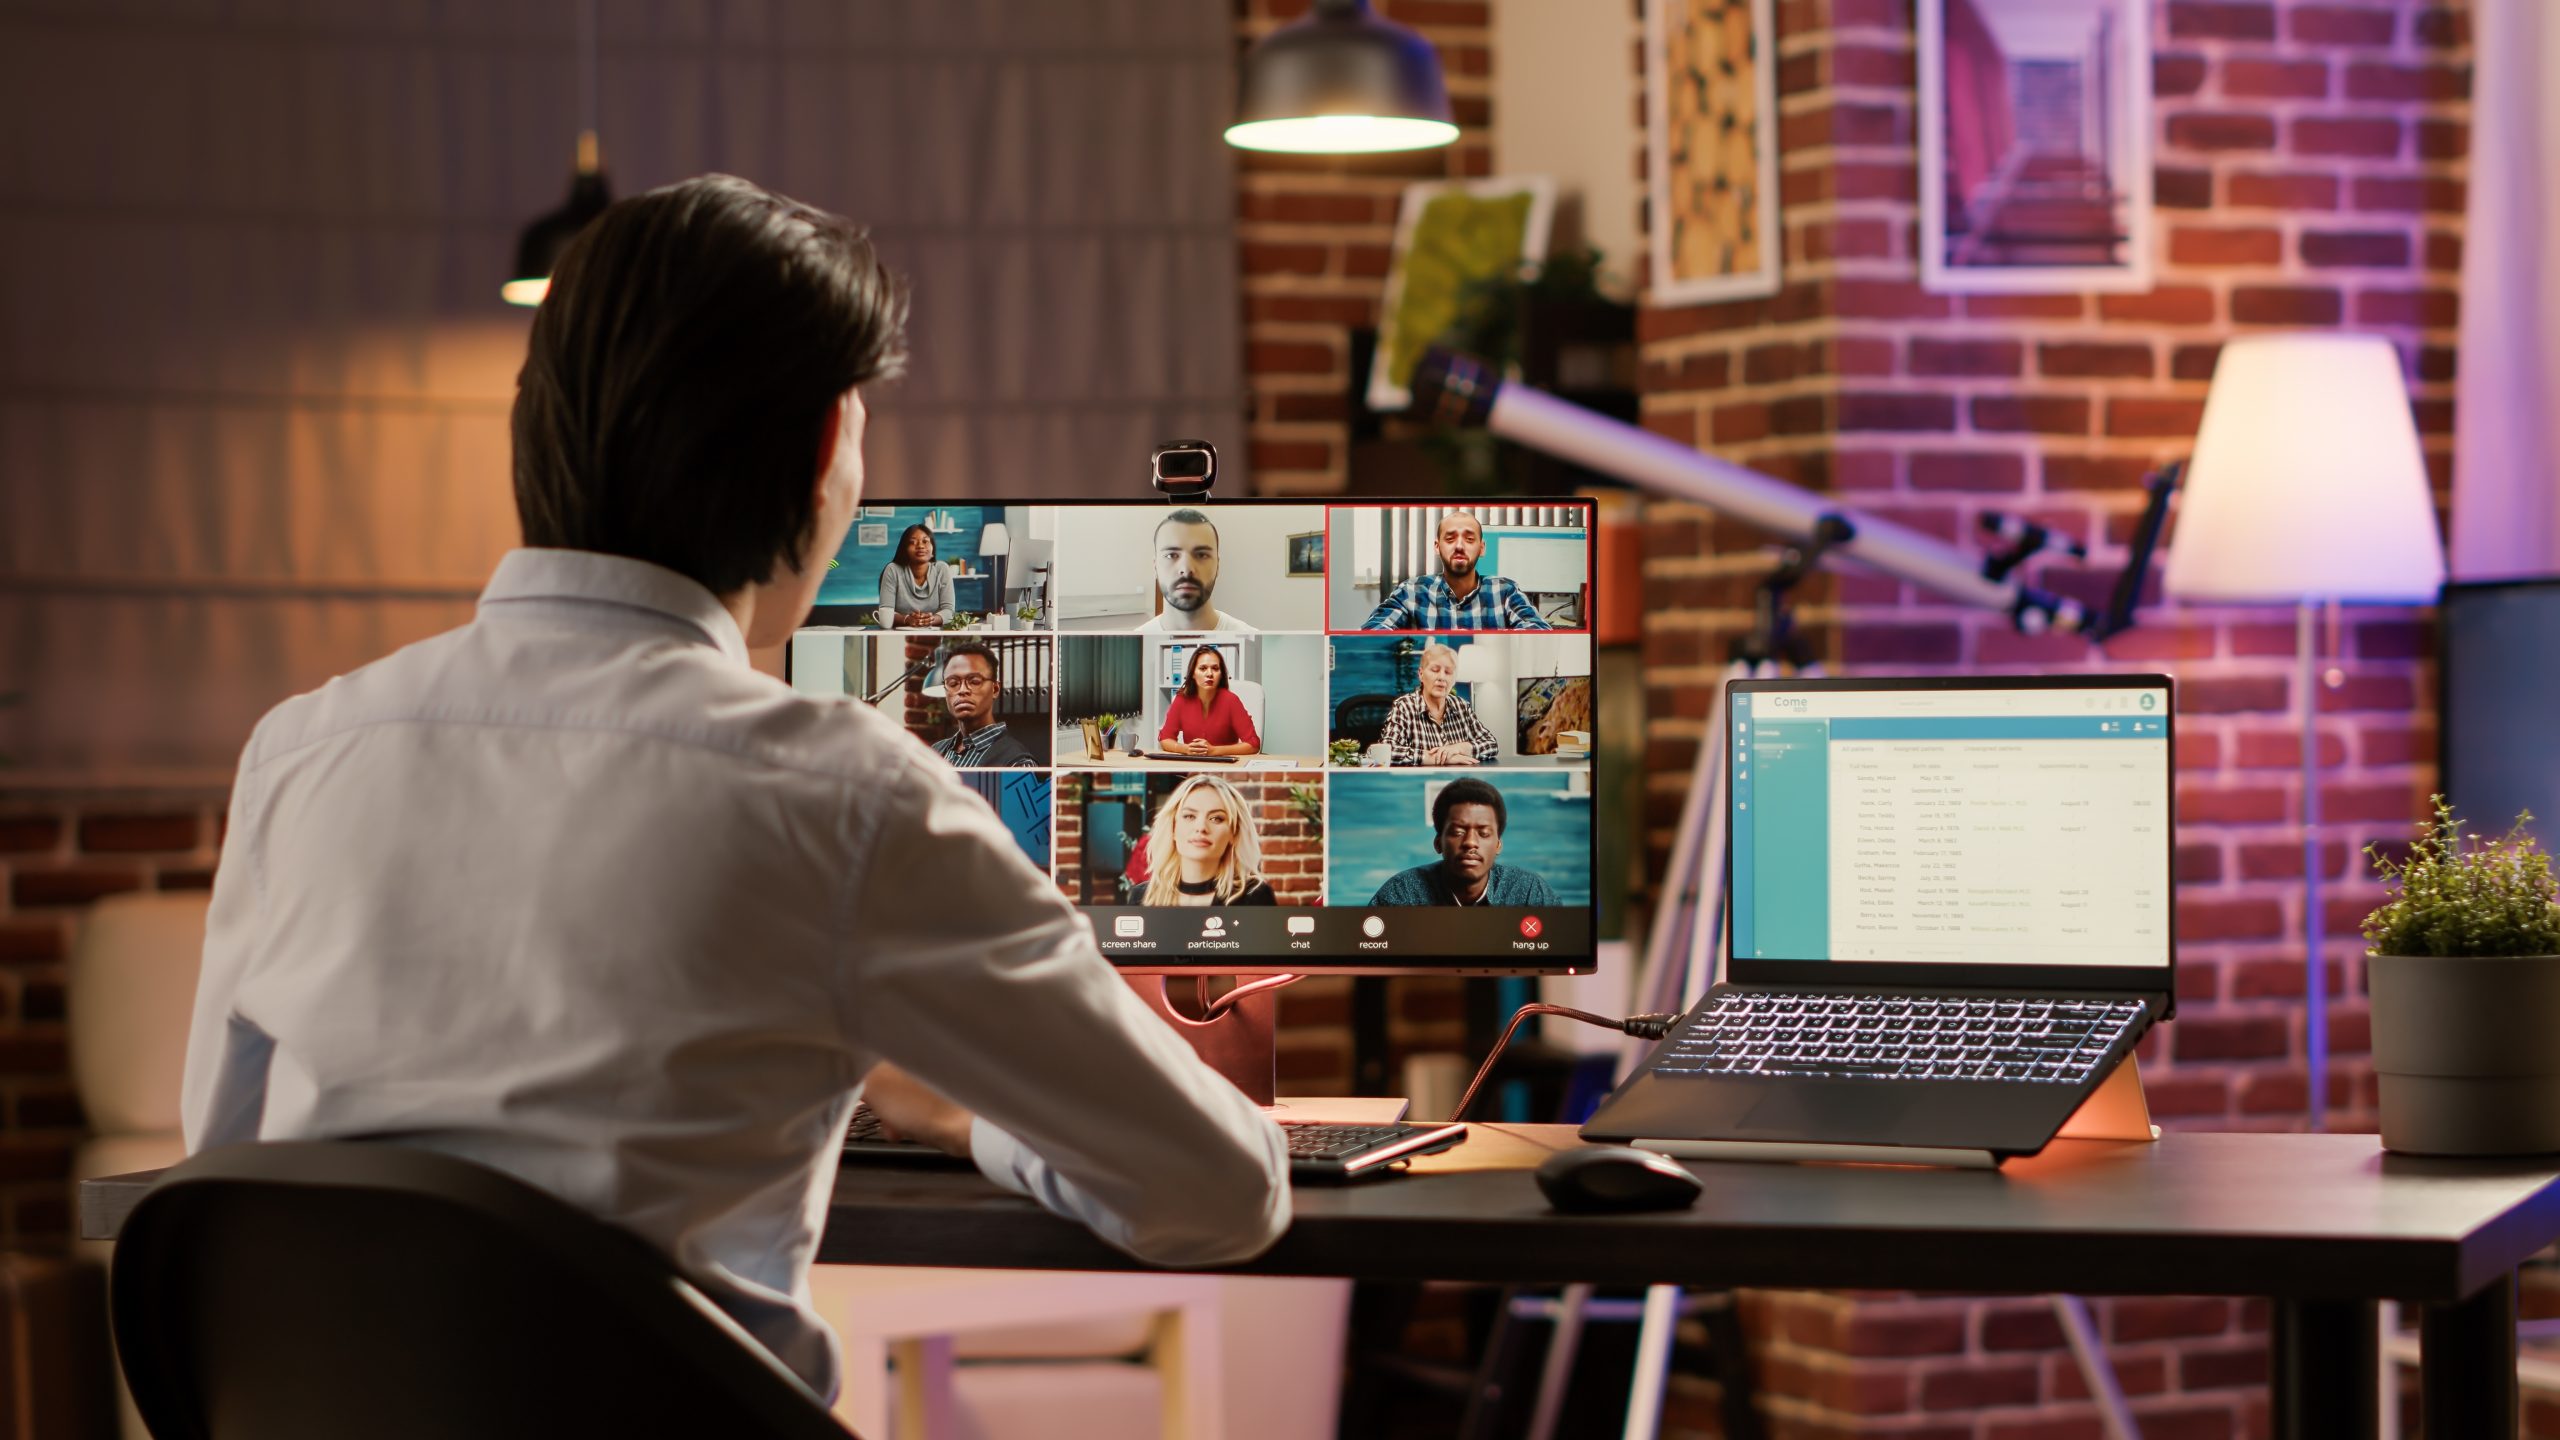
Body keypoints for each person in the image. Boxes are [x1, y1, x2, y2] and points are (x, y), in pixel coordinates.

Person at [179, 175, 1286, 1404]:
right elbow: (1220, 1195)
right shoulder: (848, 793)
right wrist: (960, 1117)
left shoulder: (301, 750)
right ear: (823, 447)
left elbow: (225, 1172)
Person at [1370, 777, 1561, 906]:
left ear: (1498, 845)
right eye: (1458, 832)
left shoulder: (1529, 891)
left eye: (1484, 833)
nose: (1470, 842)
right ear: (1438, 843)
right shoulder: (1402, 893)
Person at [1361, 510, 1554, 631]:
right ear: (1437, 547)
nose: (1460, 546)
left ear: (1482, 548)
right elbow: (1372, 631)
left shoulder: (1505, 590)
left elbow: (1540, 631)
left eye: (1469, 539)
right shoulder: (1412, 590)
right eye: (1450, 538)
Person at [1141, 773, 1278, 906]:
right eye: (1189, 816)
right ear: (1173, 828)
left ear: (1234, 833)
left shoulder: (1255, 896)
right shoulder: (1142, 896)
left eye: (1216, 818)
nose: (1201, 828)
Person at [1379, 641, 1497, 766]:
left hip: (1458, 781)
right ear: (1421, 674)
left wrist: (1459, 748)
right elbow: (1387, 751)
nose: (1441, 677)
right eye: (1435, 670)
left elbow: (1491, 744)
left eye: (1448, 672)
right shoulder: (1404, 707)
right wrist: (1436, 758)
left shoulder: (1462, 706)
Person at [1140, 508, 1256, 633]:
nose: (1186, 569)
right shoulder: (1138, 641)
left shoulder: (1252, 640)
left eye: (1201, 555)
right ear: (1155, 566)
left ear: (1218, 565)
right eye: (1171, 555)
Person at [930, 641, 1038, 768]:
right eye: (953, 683)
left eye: (974, 681)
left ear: (995, 689)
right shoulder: (935, 752)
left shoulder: (1017, 761)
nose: (962, 690)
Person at [1157, 645, 1260, 758]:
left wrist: (1214, 751)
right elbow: (1165, 739)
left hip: (1224, 768)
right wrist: (1185, 749)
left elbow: (1253, 744)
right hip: (1191, 766)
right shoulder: (1181, 700)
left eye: (1215, 668)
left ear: (1221, 675)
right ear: (1193, 674)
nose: (1209, 674)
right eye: (1203, 668)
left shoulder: (1231, 700)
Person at [876, 522, 954, 628]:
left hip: (935, 634)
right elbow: (886, 611)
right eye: (913, 542)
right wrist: (907, 619)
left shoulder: (942, 569)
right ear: (905, 549)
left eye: (925, 541)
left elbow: (949, 611)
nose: (920, 546)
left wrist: (930, 620)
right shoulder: (893, 570)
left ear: (932, 549)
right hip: (899, 635)